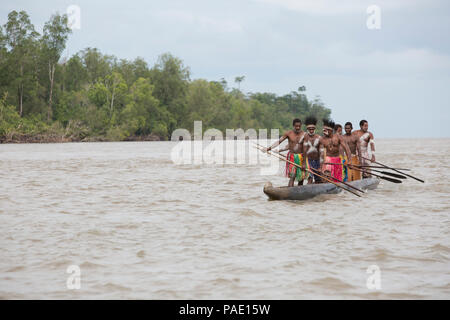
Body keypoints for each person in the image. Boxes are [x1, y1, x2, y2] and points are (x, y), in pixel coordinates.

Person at [265, 118, 306, 187]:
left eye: (299, 126)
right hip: (292, 157)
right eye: (296, 126)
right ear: (293, 126)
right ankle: (290, 192)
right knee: (292, 176)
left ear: (301, 125)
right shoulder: (288, 133)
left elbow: (306, 149)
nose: (298, 128)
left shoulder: (304, 135)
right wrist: (269, 148)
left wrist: (304, 163)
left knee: (301, 177)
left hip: (301, 157)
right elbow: (279, 141)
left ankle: (300, 192)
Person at [302, 116, 321, 184]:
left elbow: (322, 152)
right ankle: (307, 191)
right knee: (310, 177)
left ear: (315, 129)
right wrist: (304, 163)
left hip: (317, 161)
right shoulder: (304, 138)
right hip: (308, 161)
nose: (311, 131)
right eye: (309, 129)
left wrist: (321, 166)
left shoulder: (319, 138)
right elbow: (303, 151)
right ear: (307, 129)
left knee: (318, 179)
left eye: (312, 129)